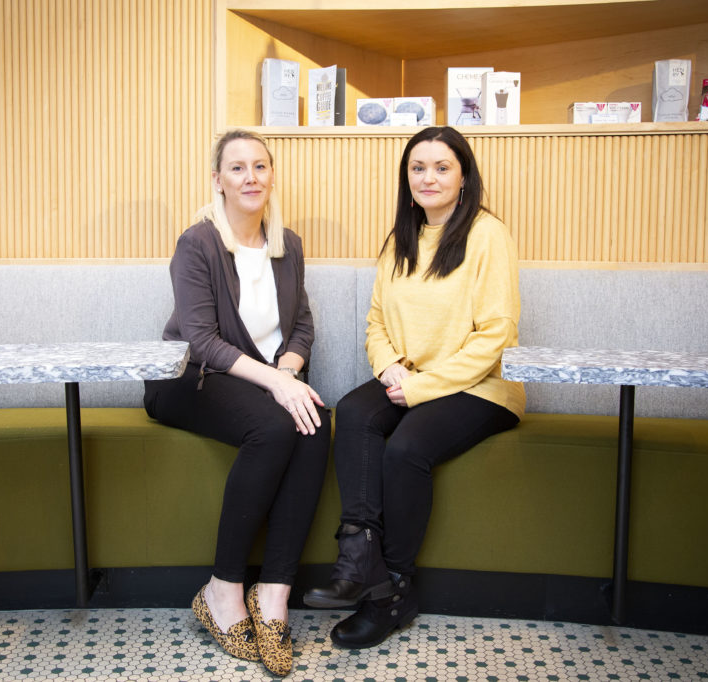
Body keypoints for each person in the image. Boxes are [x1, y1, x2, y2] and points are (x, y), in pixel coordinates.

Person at [303, 126, 525, 649]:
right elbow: (376, 321)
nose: (428, 177)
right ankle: (358, 561)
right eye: (417, 168)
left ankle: (392, 595)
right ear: (406, 179)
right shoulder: (401, 237)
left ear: (464, 176)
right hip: (412, 379)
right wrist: (387, 370)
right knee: (353, 414)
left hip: (481, 387)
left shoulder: (488, 235)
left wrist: (422, 386)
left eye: (442, 167)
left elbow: (497, 336)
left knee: (405, 449)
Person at [143, 129, 330, 677]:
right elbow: (200, 340)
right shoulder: (197, 242)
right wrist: (276, 384)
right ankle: (222, 591)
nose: (251, 177)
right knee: (275, 428)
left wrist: (289, 371)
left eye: (260, 166)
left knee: (316, 424)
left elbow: (302, 324)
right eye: (237, 168)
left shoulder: (287, 243)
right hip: (187, 380)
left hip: (261, 381)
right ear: (218, 181)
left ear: (272, 176)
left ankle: (273, 595)